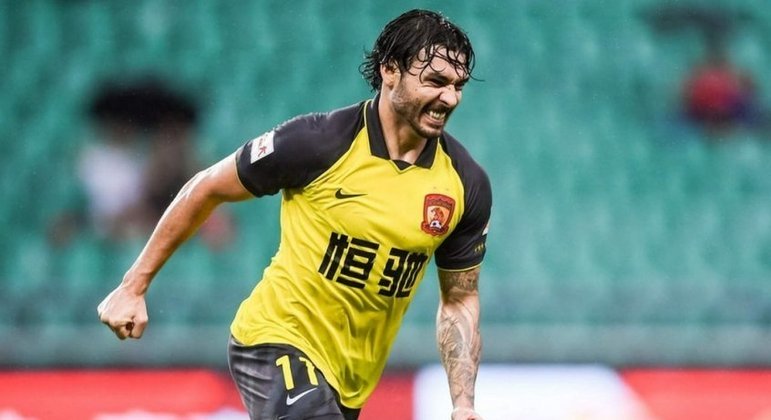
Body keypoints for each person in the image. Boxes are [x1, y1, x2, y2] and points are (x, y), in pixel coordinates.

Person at [97, 9, 491, 420]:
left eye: (458, 86)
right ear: (390, 70)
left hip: (349, 381)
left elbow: (459, 299)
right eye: (436, 81)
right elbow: (207, 186)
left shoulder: (464, 184)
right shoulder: (319, 143)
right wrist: (133, 286)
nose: (450, 98)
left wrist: (463, 404)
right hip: (274, 340)